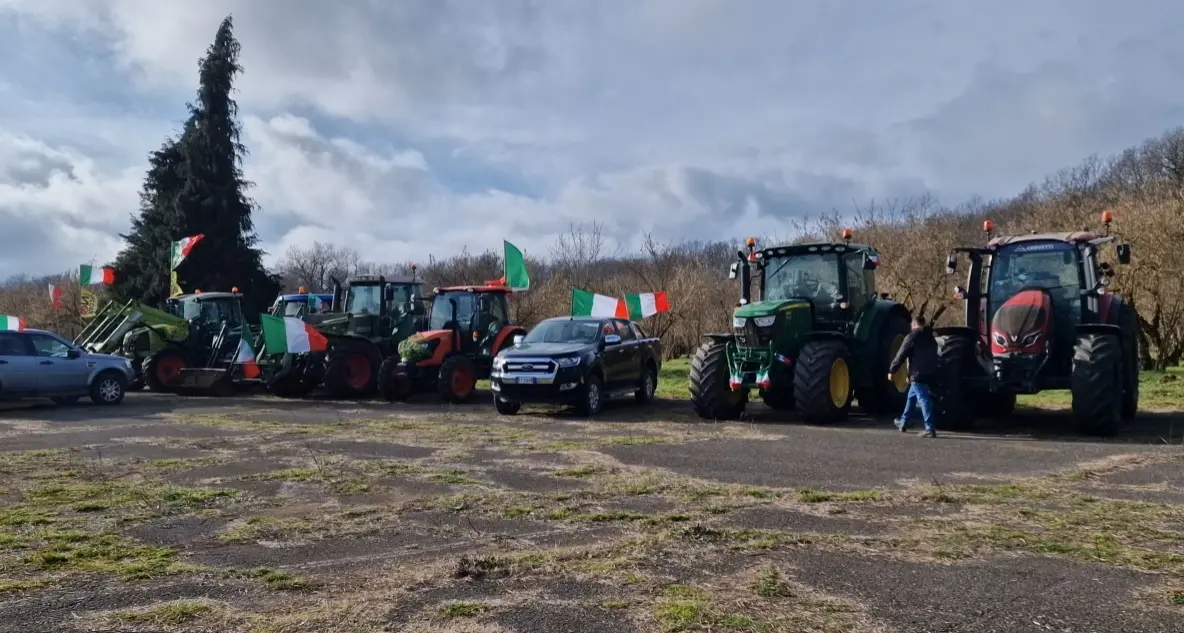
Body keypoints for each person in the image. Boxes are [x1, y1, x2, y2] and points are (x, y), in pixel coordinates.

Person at [887, 315, 940, 437]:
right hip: (929, 372)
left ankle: (930, 428)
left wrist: (892, 370)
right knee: (911, 397)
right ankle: (903, 422)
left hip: (918, 373)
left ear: (914, 324)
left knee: (923, 399)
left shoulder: (913, 336)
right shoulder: (931, 338)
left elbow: (901, 354)